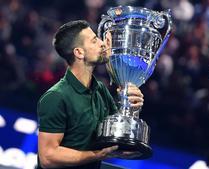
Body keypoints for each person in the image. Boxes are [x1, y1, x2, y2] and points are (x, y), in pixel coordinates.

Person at [37, 20, 144, 169]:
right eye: (94, 41)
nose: (102, 43)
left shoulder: (100, 89)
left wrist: (131, 105)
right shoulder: (56, 97)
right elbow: (47, 157)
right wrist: (96, 155)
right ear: (79, 52)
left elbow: (117, 139)